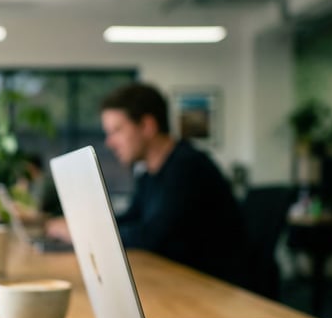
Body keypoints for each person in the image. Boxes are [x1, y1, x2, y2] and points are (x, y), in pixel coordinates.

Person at [45, 82, 248, 285]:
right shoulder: (150, 175)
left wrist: (85, 233)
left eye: (116, 130)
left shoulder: (188, 167)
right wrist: (83, 225)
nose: (109, 142)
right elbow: (130, 220)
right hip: (177, 282)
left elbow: (151, 238)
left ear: (147, 126)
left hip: (213, 291)